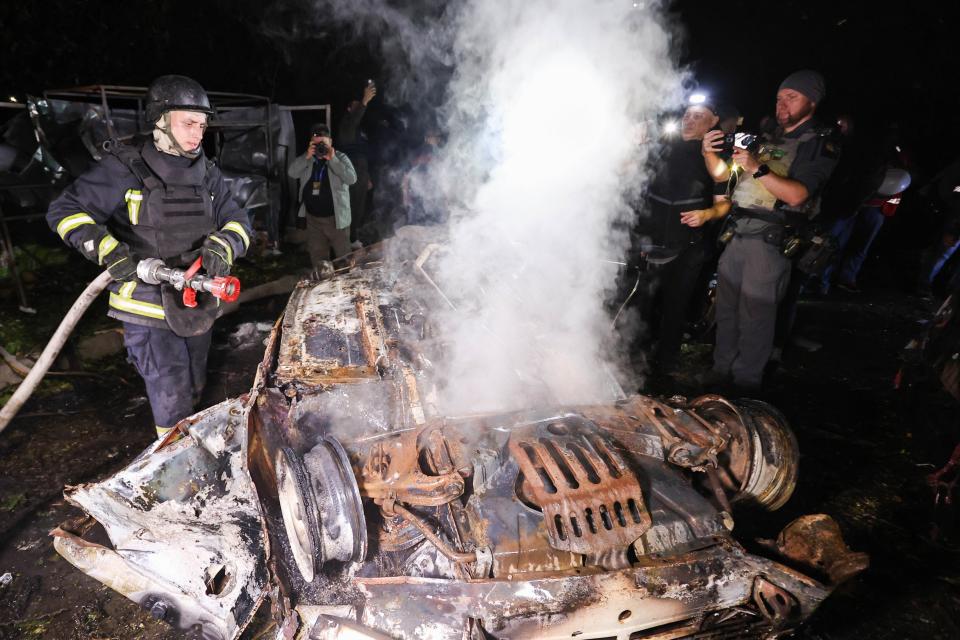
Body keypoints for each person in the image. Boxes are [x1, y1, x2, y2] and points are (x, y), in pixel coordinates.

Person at [46, 75, 253, 438]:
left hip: (196, 300)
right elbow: (65, 211)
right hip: (146, 305)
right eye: (188, 122)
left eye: (202, 125)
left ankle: (190, 453)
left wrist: (225, 244)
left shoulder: (206, 171)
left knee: (193, 388)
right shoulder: (125, 166)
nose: (197, 133)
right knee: (171, 402)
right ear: (160, 120)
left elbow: (238, 220)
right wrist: (107, 249)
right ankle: (175, 478)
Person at [707, 70, 839, 390]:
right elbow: (730, 174)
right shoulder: (768, 133)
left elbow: (797, 195)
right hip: (738, 231)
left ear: (813, 101)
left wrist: (757, 167)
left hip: (770, 239)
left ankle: (745, 386)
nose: (783, 105)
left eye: (792, 98)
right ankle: (719, 375)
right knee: (725, 311)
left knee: (756, 318)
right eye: (780, 98)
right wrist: (711, 151)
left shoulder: (820, 143)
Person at [641, 99, 731, 373]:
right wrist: (637, 146)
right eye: (687, 115)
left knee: (676, 305)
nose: (689, 120)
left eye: (698, 116)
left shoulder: (717, 153)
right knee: (642, 300)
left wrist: (705, 215)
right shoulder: (661, 145)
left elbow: (724, 202)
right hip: (651, 240)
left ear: (713, 121)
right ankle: (635, 356)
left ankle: (665, 363)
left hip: (688, 245)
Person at [289, 123, 357, 270]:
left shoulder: (340, 157)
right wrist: (306, 157)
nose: (320, 147)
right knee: (319, 261)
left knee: (344, 259)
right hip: (314, 220)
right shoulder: (308, 159)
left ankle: (347, 287)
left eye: (323, 143)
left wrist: (333, 160)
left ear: (330, 142)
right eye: (316, 143)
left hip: (336, 220)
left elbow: (352, 179)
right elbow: (292, 173)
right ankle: (322, 289)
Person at [338, 80, 377, 247]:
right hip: (350, 172)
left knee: (359, 206)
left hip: (361, 173)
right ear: (349, 109)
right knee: (351, 207)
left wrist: (367, 176)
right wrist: (364, 102)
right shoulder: (346, 125)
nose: (359, 108)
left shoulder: (359, 130)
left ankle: (354, 237)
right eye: (355, 106)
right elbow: (354, 120)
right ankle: (347, 239)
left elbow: (363, 154)